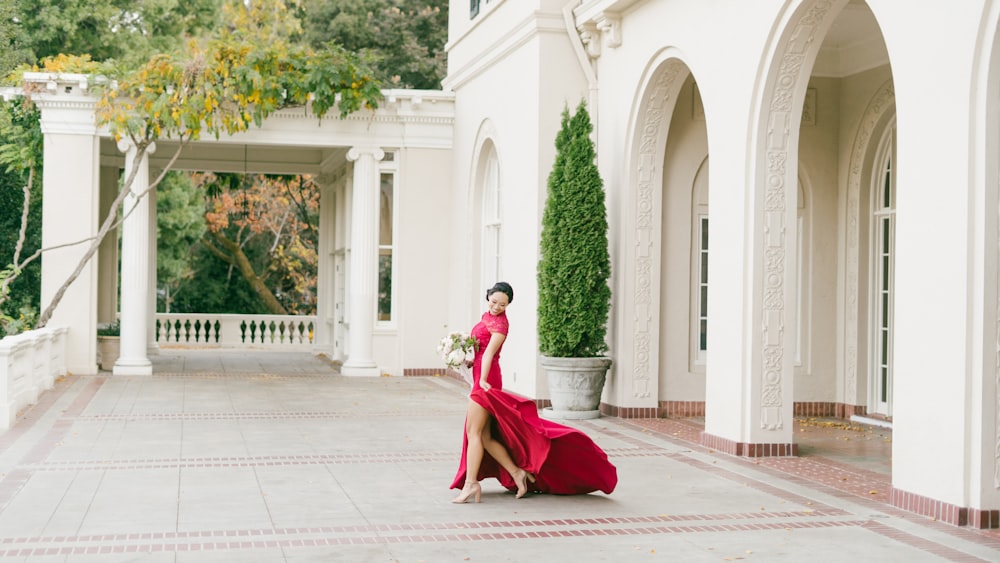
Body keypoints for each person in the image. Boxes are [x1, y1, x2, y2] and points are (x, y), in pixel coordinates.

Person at [450, 282, 617, 503]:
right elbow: (481, 350)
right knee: (484, 435)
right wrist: (468, 359)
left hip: (487, 381)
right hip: (481, 375)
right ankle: (516, 472)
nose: (497, 307)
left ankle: (471, 484)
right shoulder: (486, 316)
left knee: (474, 432)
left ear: (508, 304)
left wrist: (480, 380)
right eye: (493, 302)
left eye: (502, 304)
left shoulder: (500, 326)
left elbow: (490, 354)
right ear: (488, 296)